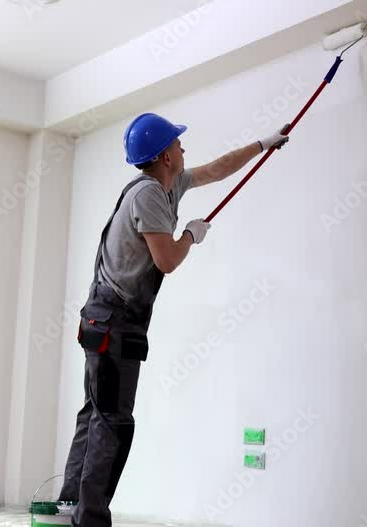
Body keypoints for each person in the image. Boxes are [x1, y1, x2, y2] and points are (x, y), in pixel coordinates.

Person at [57, 113, 290, 527]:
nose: (184, 148)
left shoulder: (168, 184)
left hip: (104, 319)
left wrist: (262, 144)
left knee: (96, 414)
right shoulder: (149, 195)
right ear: (165, 156)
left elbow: (217, 169)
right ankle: (88, 519)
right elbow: (166, 260)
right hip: (114, 322)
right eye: (178, 144)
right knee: (112, 423)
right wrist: (190, 237)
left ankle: (68, 508)